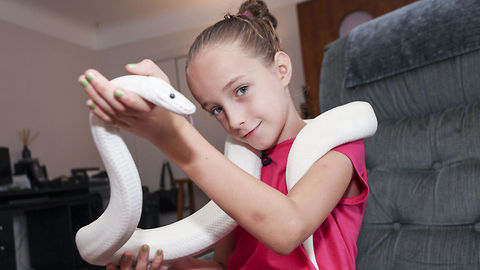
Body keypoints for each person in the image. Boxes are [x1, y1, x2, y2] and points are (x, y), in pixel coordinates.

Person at [78, 0, 368, 269]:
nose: (235, 121)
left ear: (281, 69)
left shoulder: (336, 146)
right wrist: (173, 262)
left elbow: (287, 229)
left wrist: (173, 136)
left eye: (241, 90)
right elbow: (224, 265)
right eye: (215, 109)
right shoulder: (239, 166)